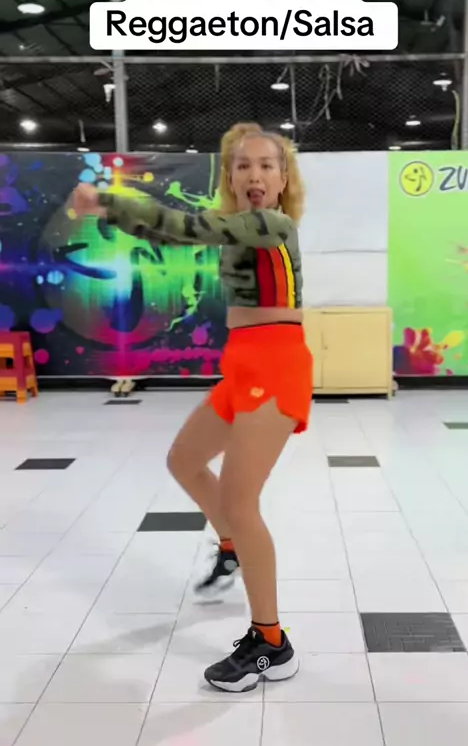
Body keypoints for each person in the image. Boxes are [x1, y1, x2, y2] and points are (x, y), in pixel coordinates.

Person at [70, 122, 313, 693]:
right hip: (243, 363)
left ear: (283, 180)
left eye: (267, 165)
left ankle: (272, 644)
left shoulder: (271, 224)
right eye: (243, 165)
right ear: (230, 175)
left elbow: (186, 228)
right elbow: (187, 232)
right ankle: (231, 546)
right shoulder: (239, 228)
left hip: (276, 365)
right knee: (183, 461)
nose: (255, 174)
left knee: (241, 502)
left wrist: (106, 201)